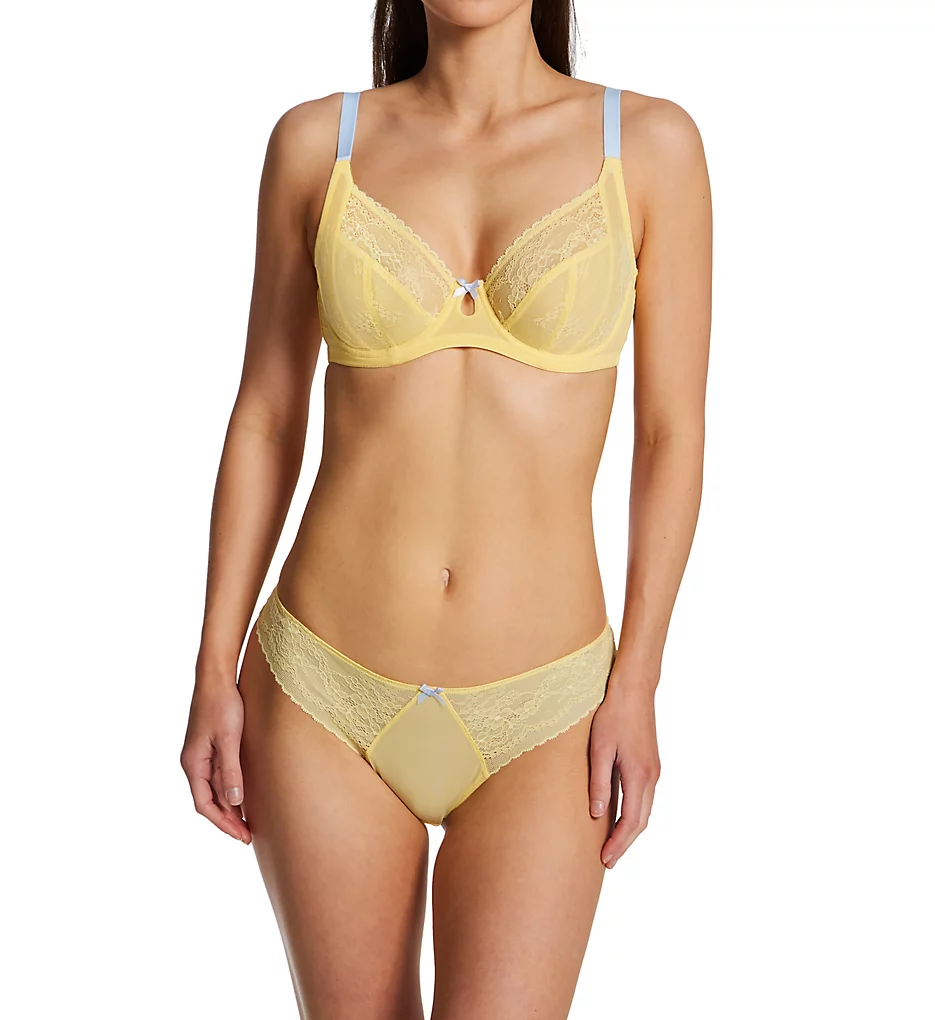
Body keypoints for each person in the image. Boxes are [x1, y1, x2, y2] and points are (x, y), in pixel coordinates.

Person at [181, 0, 711, 1016]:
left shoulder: (648, 145)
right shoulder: (315, 143)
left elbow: (669, 436)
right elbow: (265, 415)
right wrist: (212, 665)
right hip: (322, 691)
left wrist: (638, 680)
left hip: (546, 711)